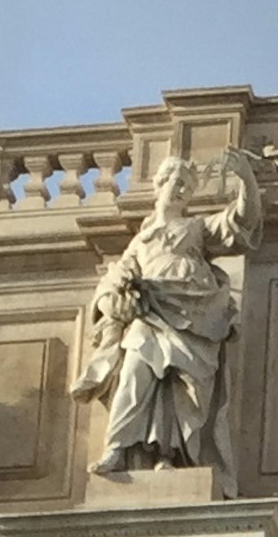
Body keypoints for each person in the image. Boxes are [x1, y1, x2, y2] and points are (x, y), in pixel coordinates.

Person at [74, 161, 256, 478]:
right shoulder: (141, 241)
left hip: (193, 315)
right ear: (159, 184)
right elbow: (114, 281)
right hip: (149, 312)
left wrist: (248, 185)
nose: (182, 189)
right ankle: (118, 448)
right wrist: (111, 300)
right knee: (133, 375)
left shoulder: (197, 228)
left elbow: (239, 223)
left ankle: (169, 454)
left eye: (187, 185)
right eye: (176, 181)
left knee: (181, 388)